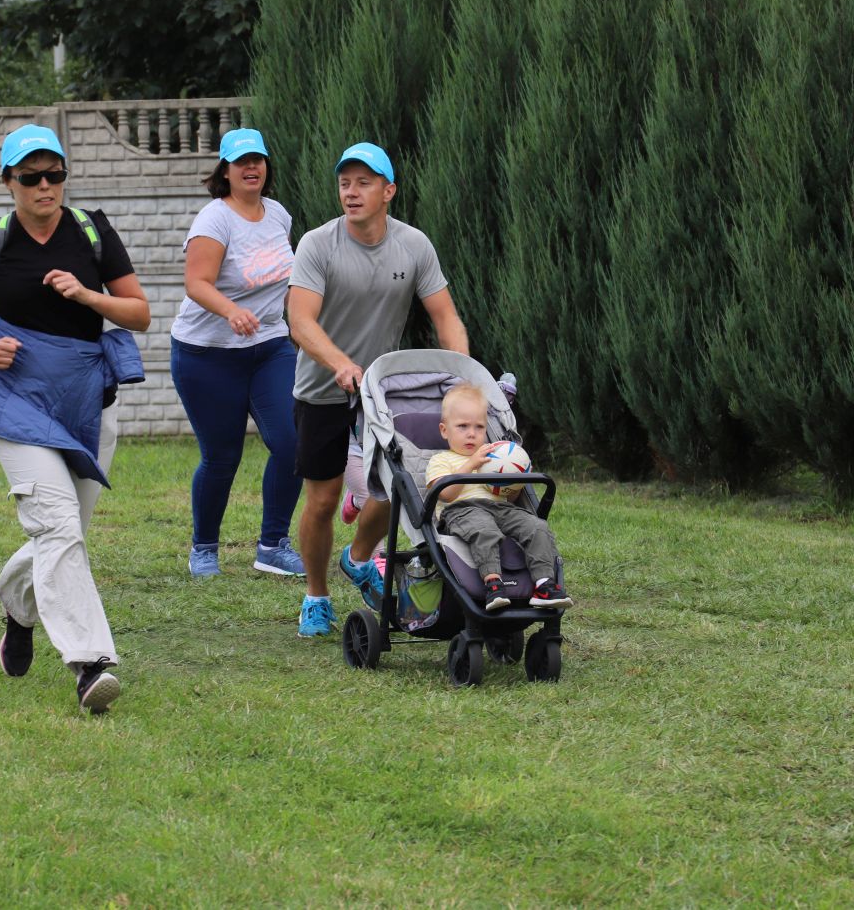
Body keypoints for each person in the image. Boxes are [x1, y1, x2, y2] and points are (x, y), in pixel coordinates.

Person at [0, 123, 151, 714]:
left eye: (55, 174)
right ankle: (91, 663)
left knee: (66, 533)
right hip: (16, 403)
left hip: (86, 402)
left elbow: (139, 314)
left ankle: (17, 605)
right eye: (31, 177)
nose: (45, 185)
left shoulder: (91, 232)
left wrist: (87, 296)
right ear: (9, 182)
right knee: (58, 529)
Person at [287, 142, 470, 637]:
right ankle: (316, 596)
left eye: (364, 182)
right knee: (323, 501)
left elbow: (445, 315)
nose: (351, 192)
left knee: (397, 489)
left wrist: (464, 373)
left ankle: (360, 556)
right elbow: (299, 320)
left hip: (380, 392)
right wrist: (340, 363)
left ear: (388, 191)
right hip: (322, 387)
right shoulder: (317, 244)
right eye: (345, 183)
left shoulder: (414, 246)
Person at [170, 129, 304, 578]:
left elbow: (287, 278)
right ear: (224, 171)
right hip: (207, 353)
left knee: (292, 443)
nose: (251, 168)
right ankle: (204, 547)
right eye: (241, 161)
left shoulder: (279, 215)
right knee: (222, 457)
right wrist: (231, 311)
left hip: (269, 346)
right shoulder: (215, 220)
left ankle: (272, 545)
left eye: (258, 160)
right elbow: (196, 283)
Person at [425, 384, 572, 611]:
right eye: (462, 426)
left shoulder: (496, 457)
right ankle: (493, 583)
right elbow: (445, 494)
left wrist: (515, 480)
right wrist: (472, 463)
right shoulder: (441, 460)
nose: (472, 433)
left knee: (537, 526)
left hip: (501, 510)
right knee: (485, 530)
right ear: (445, 430)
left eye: (479, 427)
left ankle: (544, 584)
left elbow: (509, 498)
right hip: (462, 510)